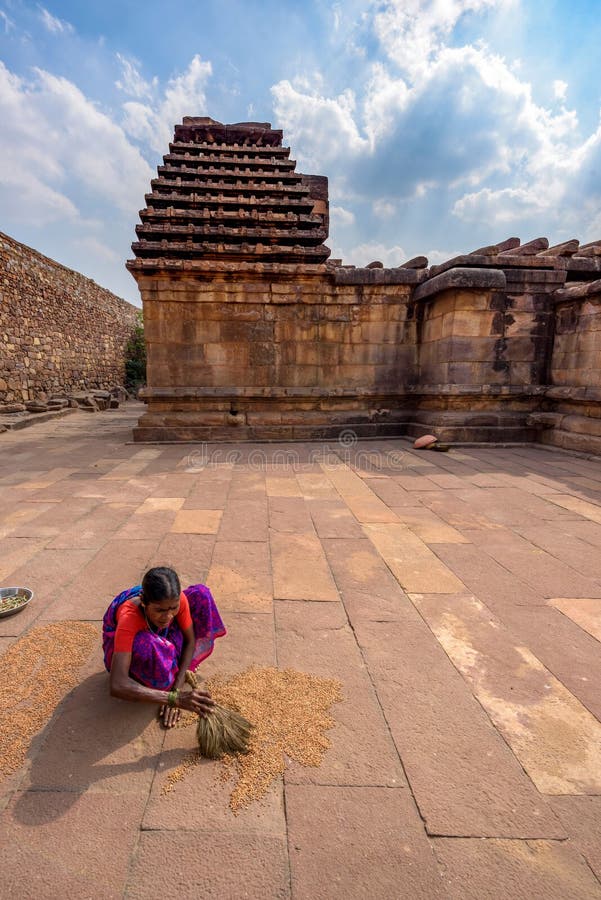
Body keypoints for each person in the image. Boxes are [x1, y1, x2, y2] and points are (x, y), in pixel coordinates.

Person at [102, 566, 226, 728]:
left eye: (173, 609)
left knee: (201, 594)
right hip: (134, 645)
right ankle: (163, 657)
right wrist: (173, 699)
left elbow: (190, 641)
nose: (168, 616)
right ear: (144, 602)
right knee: (148, 646)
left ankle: (168, 655)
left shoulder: (177, 601)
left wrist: (176, 689)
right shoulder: (130, 618)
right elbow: (118, 684)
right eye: (159, 610)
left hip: (159, 633)